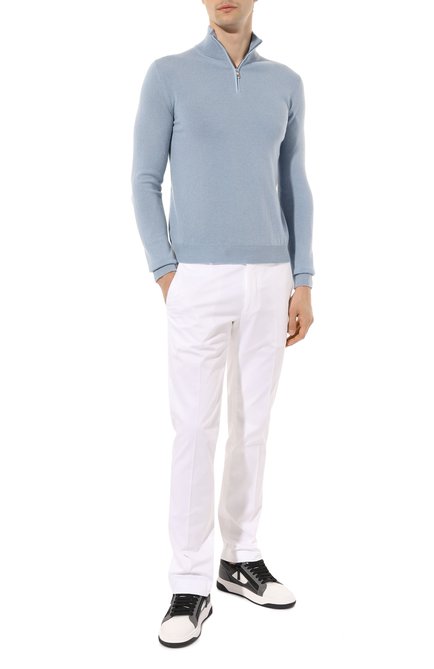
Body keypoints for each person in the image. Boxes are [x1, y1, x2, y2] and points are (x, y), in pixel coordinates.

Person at [131, 0, 315, 648]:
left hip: (271, 278)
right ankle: (189, 580)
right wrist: (165, 270)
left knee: (253, 424)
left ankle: (240, 557)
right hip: (196, 279)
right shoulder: (169, 74)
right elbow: (144, 179)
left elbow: (294, 181)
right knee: (194, 428)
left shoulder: (285, 82)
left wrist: (303, 277)